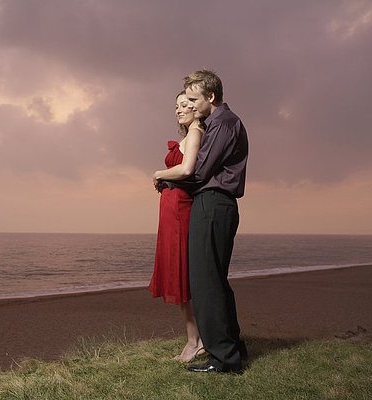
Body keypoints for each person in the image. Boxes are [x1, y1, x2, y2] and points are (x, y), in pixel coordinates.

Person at [160, 69, 248, 373]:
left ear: (211, 97)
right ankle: (233, 348)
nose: (191, 105)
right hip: (214, 204)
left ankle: (223, 359)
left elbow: (199, 172)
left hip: (213, 203)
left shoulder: (223, 123)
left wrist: (165, 180)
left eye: (195, 99)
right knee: (215, 282)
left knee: (206, 283)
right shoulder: (220, 122)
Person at [149, 91, 205, 362]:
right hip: (172, 210)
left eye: (185, 105)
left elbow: (186, 170)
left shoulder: (195, 133)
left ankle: (195, 341)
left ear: (197, 107)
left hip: (181, 210)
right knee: (180, 274)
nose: (179, 110)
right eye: (177, 106)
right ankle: (195, 339)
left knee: (183, 276)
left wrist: (159, 174)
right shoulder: (189, 134)